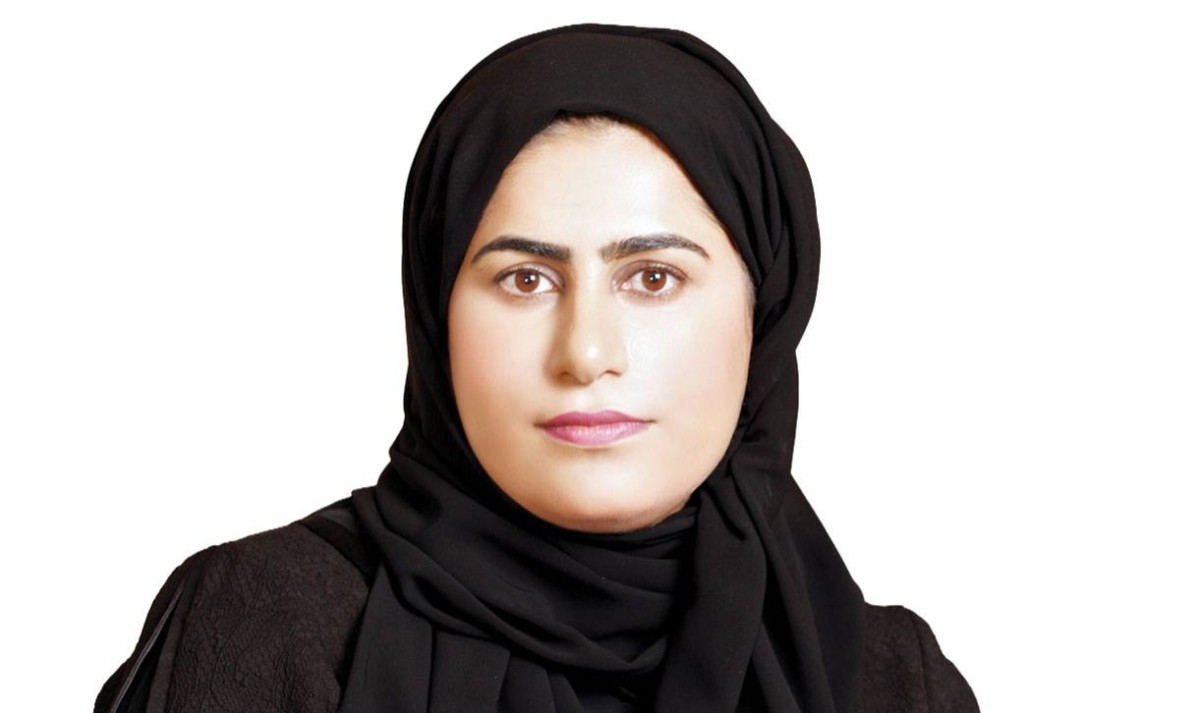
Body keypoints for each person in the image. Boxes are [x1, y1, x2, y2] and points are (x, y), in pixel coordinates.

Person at [96, 23, 977, 713]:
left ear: (764, 313)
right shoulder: (270, 618)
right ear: (437, 313)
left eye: (653, 278)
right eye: (525, 279)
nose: (586, 352)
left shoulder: (888, 680)